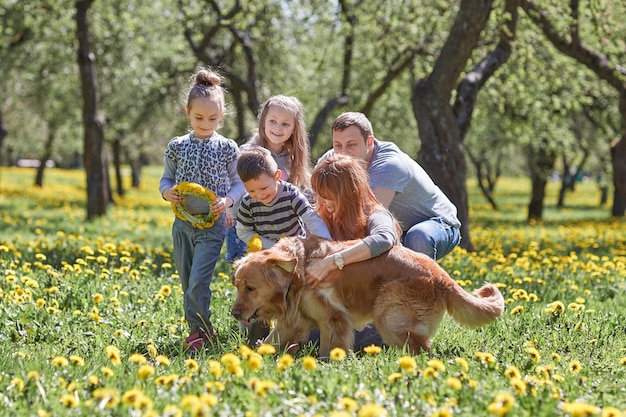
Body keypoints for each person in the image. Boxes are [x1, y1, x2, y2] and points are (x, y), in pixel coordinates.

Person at [159, 67, 245, 354]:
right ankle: (197, 328)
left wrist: (228, 201)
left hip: (212, 226)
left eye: (212, 118)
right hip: (182, 224)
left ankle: (201, 332)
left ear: (222, 116)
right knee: (187, 282)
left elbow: (237, 184)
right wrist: (166, 192)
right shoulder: (177, 147)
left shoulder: (227, 148)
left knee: (198, 281)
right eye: (198, 117)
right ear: (187, 112)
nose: (205, 123)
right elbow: (166, 178)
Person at [317, 112, 461, 260]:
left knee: (417, 239)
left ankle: (421, 282)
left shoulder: (389, 166)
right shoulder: (333, 160)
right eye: (337, 145)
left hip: (436, 223)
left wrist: (336, 259)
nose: (344, 153)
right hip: (392, 230)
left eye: (352, 145)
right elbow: (312, 198)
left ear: (369, 142)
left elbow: (367, 219)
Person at [236, 145, 331, 345]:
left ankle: (292, 336)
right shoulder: (247, 203)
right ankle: (256, 339)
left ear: (277, 176)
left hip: (293, 256)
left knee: (291, 295)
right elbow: (242, 230)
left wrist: (326, 242)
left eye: (263, 188)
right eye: (251, 190)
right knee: (259, 293)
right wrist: (266, 244)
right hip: (265, 254)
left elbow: (310, 218)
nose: (259, 195)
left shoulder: (290, 194)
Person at [305, 154, 401, 350]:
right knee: (306, 331)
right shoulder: (323, 217)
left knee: (325, 337)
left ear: (348, 194)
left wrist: (333, 261)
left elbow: (384, 239)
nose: (322, 202)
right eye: (319, 194)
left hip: (375, 310)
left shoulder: (376, 214)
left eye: (328, 195)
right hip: (339, 305)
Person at [225, 95, 314, 262]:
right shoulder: (247, 153)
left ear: (294, 128)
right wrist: (228, 210)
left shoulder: (292, 159)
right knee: (245, 270)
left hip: (276, 228)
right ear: (263, 121)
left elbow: (299, 192)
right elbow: (233, 184)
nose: (278, 128)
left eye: (285, 124)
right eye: (272, 121)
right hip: (246, 225)